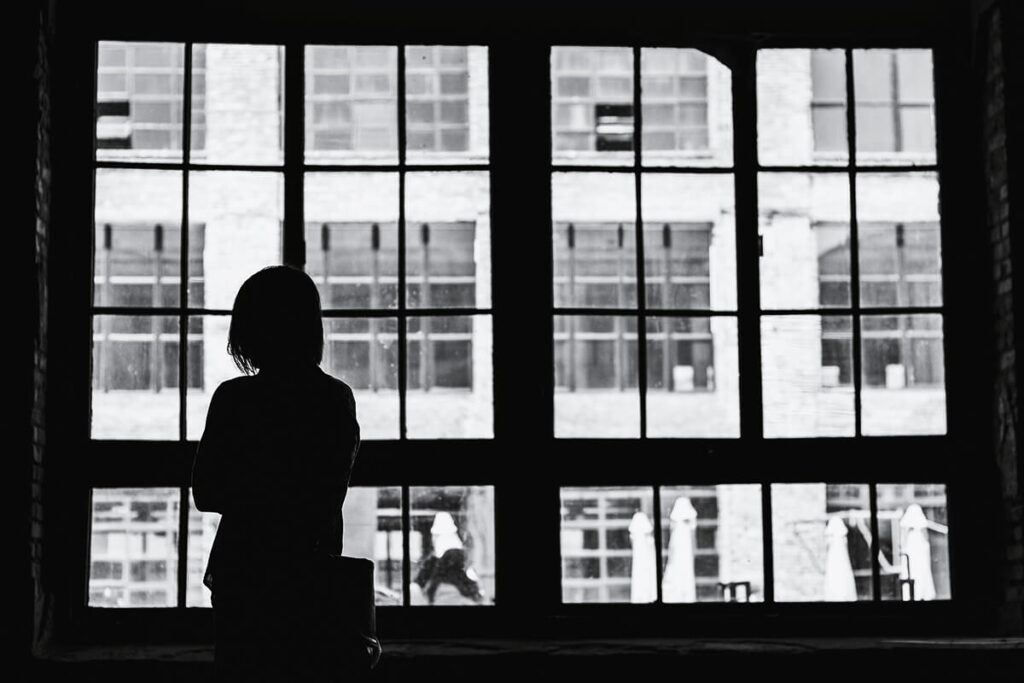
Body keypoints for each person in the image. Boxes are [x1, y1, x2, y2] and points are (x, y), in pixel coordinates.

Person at [191, 265, 361, 682]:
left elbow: (206, 492)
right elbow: (324, 495)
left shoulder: (234, 399)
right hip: (311, 575)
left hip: (244, 575)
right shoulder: (334, 400)